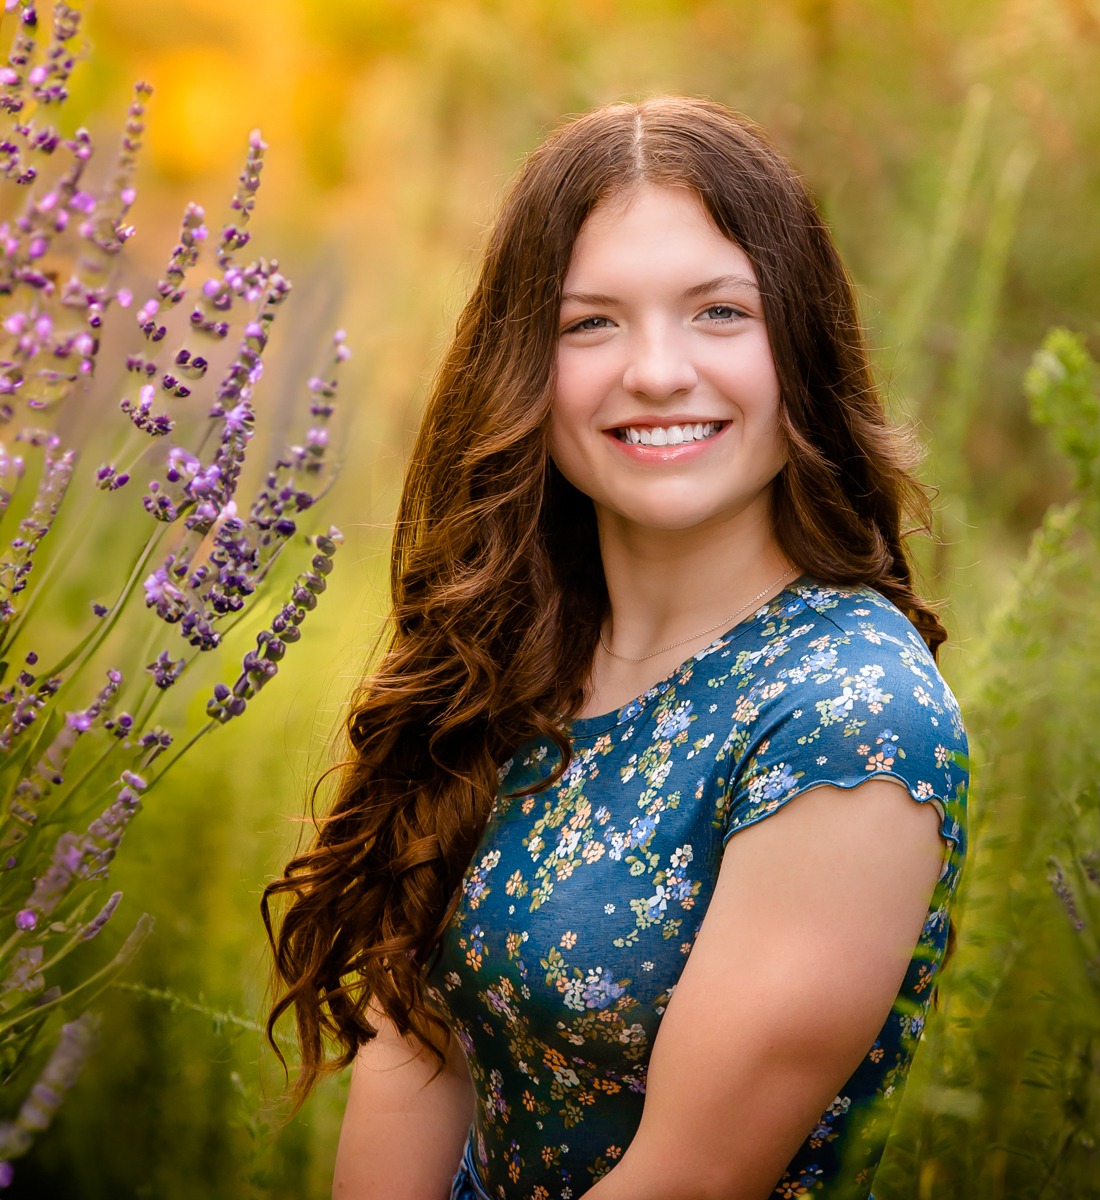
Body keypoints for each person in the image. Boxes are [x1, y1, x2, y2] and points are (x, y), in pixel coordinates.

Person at [262, 94, 969, 1200]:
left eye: (719, 313)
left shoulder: (847, 714)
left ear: (803, 346)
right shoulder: (513, 650)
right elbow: (420, 1044)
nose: (654, 371)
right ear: (522, 373)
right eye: (590, 322)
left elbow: (687, 1182)